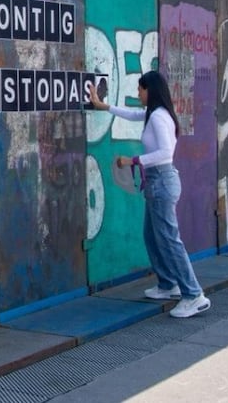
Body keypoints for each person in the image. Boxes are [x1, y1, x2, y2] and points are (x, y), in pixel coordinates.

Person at [89, 70, 211, 318]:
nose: (138, 93)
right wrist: (104, 106)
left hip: (162, 181)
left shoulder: (158, 117)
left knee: (169, 238)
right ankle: (168, 283)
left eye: (140, 89)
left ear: (150, 90)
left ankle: (193, 294)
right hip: (158, 182)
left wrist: (133, 160)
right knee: (152, 235)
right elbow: (132, 114)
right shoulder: (154, 114)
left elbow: (165, 153)